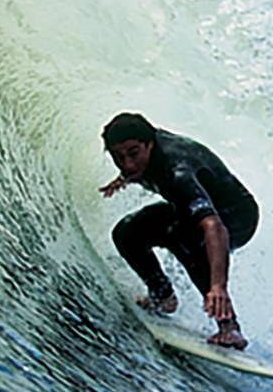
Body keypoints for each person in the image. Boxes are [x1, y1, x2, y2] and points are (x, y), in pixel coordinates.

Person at [98, 111, 258, 349]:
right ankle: (163, 296)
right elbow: (131, 161)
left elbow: (214, 227)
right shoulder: (142, 147)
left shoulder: (177, 173)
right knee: (126, 232)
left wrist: (218, 286)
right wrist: (124, 178)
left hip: (237, 217)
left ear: (149, 145)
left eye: (133, 154)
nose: (127, 164)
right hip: (192, 211)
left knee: (183, 240)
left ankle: (229, 327)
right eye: (118, 157)